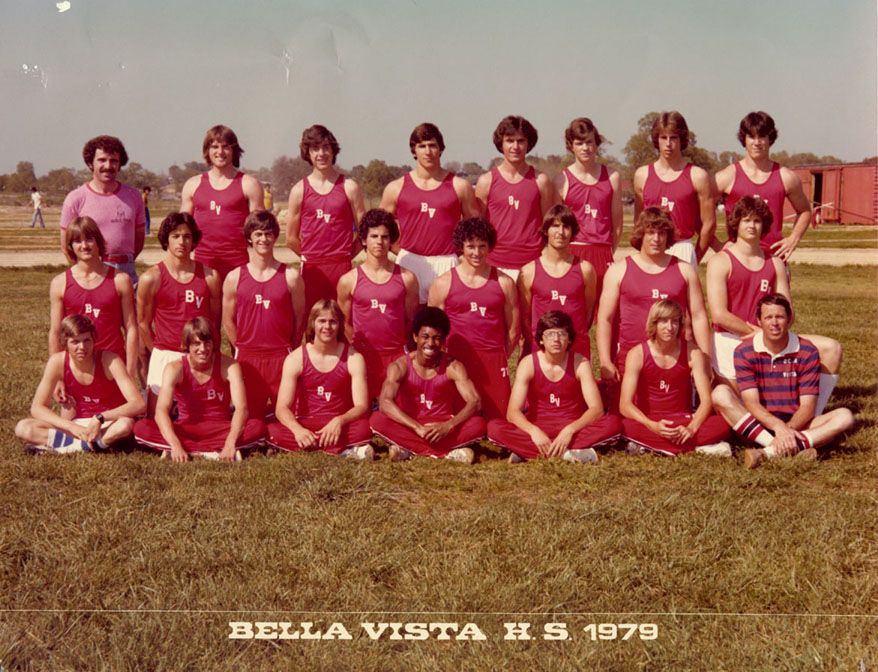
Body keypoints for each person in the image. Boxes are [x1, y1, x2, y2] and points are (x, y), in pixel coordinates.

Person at [706, 196, 842, 410]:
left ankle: (810, 418)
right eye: (746, 220)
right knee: (731, 402)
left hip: (770, 338)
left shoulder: (775, 262)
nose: (752, 225)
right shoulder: (720, 261)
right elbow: (719, 315)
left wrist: (770, 335)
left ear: (765, 225)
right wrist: (757, 335)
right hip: (732, 338)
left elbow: (788, 312)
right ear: (736, 224)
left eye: (757, 221)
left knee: (831, 349)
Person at [711, 294, 854, 468]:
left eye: (779, 316)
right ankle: (790, 447)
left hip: (797, 423)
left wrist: (788, 429)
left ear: (789, 319)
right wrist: (779, 427)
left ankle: (766, 453)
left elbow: (808, 407)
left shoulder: (807, 350)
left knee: (844, 416)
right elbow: (752, 404)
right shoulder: (744, 351)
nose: (774, 323)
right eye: (768, 317)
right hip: (758, 424)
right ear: (759, 321)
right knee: (720, 394)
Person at [597, 207, 710, 410]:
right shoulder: (618, 270)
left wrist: (705, 358)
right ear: (641, 234)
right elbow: (604, 319)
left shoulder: (684, 269)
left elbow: (700, 316)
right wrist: (605, 361)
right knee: (623, 418)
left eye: (662, 233)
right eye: (650, 232)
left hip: (673, 357)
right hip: (631, 355)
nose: (656, 238)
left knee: (675, 417)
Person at [487, 311, 621, 464]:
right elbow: (513, 412)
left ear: (569, 338)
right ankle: (568, 454)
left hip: (572, 426)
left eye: (562, 333)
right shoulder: (528, 363)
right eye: (550, 334)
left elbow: (596, 409)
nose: (556, 339)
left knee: (613, 424)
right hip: (539, 425)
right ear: (541, 339)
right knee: (494, 428)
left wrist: (569, 430)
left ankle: (530, 453)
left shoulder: (580, 363)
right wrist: (534, 431)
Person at [133, 317, 265, 462]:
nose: (203, 349)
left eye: (207, 343)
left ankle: (193, 449)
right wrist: (175, 444)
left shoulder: (228, 366)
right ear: (187, 345)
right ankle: (209, 450)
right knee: (141, 428)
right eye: (196, 343)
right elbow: (161, 411)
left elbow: (241, 409)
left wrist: (230, 442)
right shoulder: (175, 368)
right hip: (186, 428)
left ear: (213, 344)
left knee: (257, 427)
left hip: (220, 428)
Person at [428, 217, 520, 420]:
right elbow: (432, 332)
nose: (477, 253)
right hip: (457, 359)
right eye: (471, 246)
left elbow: (513, 329)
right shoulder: (443, 283)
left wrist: (499, 356)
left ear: (490, 247)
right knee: (458, 418)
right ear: (462, 246)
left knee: (500, 421)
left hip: (493, 358)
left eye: (482, 246)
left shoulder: (504, 282)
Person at [371, 307, 486, 463]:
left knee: (478, 425)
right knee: (377, 420)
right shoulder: (400, 366)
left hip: (443, 425)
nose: (430, 343)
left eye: (437, 338)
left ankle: (408, 450)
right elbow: (385, 402)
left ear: (444, 340)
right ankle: (448, 453)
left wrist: (448, 426)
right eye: (425, 336)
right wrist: (417, 428)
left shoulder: (453, 366)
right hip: (412, 425)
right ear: (415, 337)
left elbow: (476, 402)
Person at [15, 315, 144, 454]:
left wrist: (100, 417)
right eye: (75, 342)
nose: (82, 347)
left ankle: (68, 448)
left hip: (109, 422)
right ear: (65, 343)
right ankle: (93, 446)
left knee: (125, 425)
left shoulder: (110, 360)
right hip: (78, 424)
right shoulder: (57, 361)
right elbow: (37, 407)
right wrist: (71, 427)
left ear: (94, 339)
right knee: (24, 428)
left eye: (87, 340)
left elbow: (138, 404)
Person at [380, 122, 479, 303]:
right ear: (414, 151)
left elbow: (475, 229)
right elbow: (379, 229)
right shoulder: (396, 188)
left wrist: (456, 253)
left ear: (441, 149)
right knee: (408, 324)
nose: (427, 151)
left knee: (445, 324)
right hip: (409, 262)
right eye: (422, 146)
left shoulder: (460, 186)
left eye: (432, 145)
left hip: (446, 262)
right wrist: (399, 251)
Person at [619, 300, 731, 456]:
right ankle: (698, 448)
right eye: (664, 322)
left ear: (680, 325)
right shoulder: (637, 354)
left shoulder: (692, 352)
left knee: (722, 424)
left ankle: (653, 448)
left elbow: (706, 400)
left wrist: (692, 427)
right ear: (654, 324)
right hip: (650, 420)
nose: (670, 327)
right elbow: (625, 405)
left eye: (675, 322)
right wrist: (651, 425)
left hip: (682, 420)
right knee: (624, 426)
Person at [222, 210, 305, 420]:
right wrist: (240, 346)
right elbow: (228, 320)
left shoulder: (291, 276)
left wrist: (291, 350)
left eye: (268, 234)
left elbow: (300, 319)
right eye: (258, 234)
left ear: (275, 236)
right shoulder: (235, 277)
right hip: (249, 356)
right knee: (250, 420)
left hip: (280, 355)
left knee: (288, 418)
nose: (263, 239)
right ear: (249, 237)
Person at [137, 213, 221, 415]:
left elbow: (214, 324)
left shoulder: (210, 276)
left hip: (199, 355)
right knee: (157, 422)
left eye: (186, 236)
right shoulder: (151, 277)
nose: (181, 242)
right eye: (175, 236)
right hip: (165, 354)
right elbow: (143, 324)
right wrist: (160, 351)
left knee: (202, 420)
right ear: (166, 239)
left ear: (194, 241)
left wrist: (205, 353)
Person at [267, 300, 373, 458]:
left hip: (337, 424)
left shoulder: (354, 358)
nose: (327, 327)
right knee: (272, 431)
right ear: (312, 323)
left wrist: (340, 420)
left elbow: (362, 405)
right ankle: (347, 451)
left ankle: (305, 448)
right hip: (306, 422)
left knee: (364, 428)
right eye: (322, 321)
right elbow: (281, 408)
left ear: (340, 326)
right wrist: (297, 430)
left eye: (333, 322)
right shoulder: (296, 358)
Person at [336, 209, 419, 404]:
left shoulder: (407, 278)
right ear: (363, 240)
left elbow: (410, 321)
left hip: (396, 355)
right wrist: (359, 351)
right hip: (364, 357)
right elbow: (346, 324)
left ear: (391, 241)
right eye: (374, 236)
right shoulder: (349, 280)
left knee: (400, 410)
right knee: (361, 412)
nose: (379, 241)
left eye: (384, 237)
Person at [49, 217, 138, 388]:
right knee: (69, 415)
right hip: (77, 366)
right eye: (77, 241)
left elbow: (131, 328)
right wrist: (58, 378)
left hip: (113, 366)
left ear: (99, 242)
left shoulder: (120, 280)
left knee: (122, 414)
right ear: (70, 247)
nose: (84, 245)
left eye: (89, 239)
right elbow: (55, 333)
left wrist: (130, 371)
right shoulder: (60, 283)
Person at [287, 125, 366, 313]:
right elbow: (290, 239)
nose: (321, 154)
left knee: (345, 324)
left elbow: (365, 235)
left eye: (326, 148)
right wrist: (313, 258)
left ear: (333, 150)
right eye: (315, 149)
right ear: (308, 153)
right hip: (312, 269)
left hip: (342, 267)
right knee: (314, 324)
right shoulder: (299, 190)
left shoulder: (349, 187)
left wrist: (344, 257)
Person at [715, 111, 812, 262]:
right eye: (751, 137)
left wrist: (793, 238)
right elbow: (698, 214)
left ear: (770, 139)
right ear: (744, 139)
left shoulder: (786, 177)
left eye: (762, 136)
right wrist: (717, 245)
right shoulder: (726, 177)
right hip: (736, 261)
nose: (757, 142)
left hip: (773, 260)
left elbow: (805, 211)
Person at [474, 115, 555, 279]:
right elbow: (478, 228)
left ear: (528, 144)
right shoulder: (486, 181)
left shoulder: (541, 180)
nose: (515, 147)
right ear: (501, 144)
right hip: (495, 263)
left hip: (531, 264)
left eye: (521, 141)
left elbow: (548, 225)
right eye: (510, 140)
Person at [181, 125, 263, 280]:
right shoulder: (193, 184)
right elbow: (180, 230)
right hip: (201, 265)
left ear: (234, 150)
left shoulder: (249, 184)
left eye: (226, 147)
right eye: (214, 147)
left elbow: (261, 231)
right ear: (207, 151)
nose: (220, 152)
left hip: (237, 266)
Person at [554, 117, 623, 302]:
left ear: (597, 143)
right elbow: (555, 225)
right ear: (571, 146)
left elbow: (617, 226)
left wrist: (607, 251)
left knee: (606, 314)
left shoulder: (612, 177)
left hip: (603, 252)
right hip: (574, 251)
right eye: (579, 143)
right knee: (573, 312)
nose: (585, 148)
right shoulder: (561, 179)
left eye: (589, 142)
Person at [60, 135, 145, 284]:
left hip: (127, 270)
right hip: (92, 270)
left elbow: (138, 242)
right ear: (90, 163)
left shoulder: (134, 196)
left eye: (114, 161)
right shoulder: (75, 198)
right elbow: (67, 246)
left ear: (120, 164)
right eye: (102, 160)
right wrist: (85, 272)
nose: (108, 166)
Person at [633, 111, 715, 266]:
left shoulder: (697, 176)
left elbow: (709, 224)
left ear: (682, 139)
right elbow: (639, 221)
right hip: (652, 246)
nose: (668, 143)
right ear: (656, 139)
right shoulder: (642, 175)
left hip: (682, 247)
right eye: (663, 137)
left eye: (673, 137)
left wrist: (695, 258)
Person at [518, 205, 596, 357]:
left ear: (573, 231)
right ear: (546, 230)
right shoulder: (528, 271)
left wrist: (571, 338)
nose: (560, 232)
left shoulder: (585, 269)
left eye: (566, 227)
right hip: (542, 350)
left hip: (576, 348)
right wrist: (538, 341)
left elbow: (588, 313)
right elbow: (525, 318)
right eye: (555, 226)